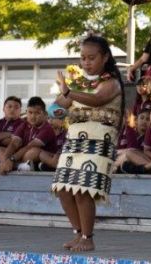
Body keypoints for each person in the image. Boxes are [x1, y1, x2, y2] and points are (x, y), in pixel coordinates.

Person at [52, 34, 124, 252]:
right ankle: (77, 233)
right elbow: (58, 106)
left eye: (91, 58)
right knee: (64, 189)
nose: (86, 62)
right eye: (83, 58)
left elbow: (98, 99)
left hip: (98, 142)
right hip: (74, 141)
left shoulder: (111, 83)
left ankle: (88, 237)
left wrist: (69, 92)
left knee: (83, 189)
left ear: (105, 57)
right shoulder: (80, 83)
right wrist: (56, 108)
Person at [0, 97, 58, 173]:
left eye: (37, 113)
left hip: (40, 156)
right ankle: (17, 165)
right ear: (26, 112)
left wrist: (11, 159)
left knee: (33, 151)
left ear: (45, 114)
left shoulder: (47, 128)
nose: (33, 116)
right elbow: (14, 143)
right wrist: (5, 160)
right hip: (24, 156)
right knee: (0, 150)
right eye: (30, 112)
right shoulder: (24, 125)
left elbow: (30, 146)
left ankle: (16, 165)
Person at [36, 104, 68, 171]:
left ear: (62, 121)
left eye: (53, 118)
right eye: (48, 118)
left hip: (61, 157)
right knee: (40, 153)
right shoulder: (44, 133)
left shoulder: (66, 133)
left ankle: (52, 166)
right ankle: (52, 165)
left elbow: (65, 148)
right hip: (49, 157)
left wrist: (57, 154)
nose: (50, 121)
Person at [0, 95, 24, 161]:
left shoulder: (23, 124)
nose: (12, 109)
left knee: (0, 151)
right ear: (3, 109)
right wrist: (9, 134)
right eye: (9, 106)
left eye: (16, 107)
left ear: (20, 111)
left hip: (15, 153)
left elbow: (15, 142)